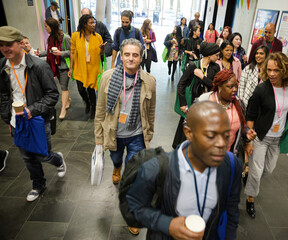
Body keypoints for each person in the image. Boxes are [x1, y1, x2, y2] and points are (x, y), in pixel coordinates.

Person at [127, 101, 242, 239]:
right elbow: (135, 208)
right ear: (189, 133)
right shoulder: (158, 168)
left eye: (226, 135)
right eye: (211, 136)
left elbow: (232, 211)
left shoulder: (231, 165)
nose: (222, 144)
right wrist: (167, 224)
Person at [94, 39, 155, 235]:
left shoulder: (149, 81)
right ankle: (117, 167)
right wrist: (98, 137)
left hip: (137, 134)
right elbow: (100, 109)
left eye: (135, 55)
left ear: (141, 57)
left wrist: (149, 133)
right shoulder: (107, 77)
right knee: (116, 158)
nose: (130, 58)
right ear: (121, 55)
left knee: (133, 175)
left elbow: (151, 110)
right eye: (127, 54)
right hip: (114, 134)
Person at [0, 26, 65, 202]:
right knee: (27, 157)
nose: (5, 48)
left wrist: (31, 110)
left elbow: (53, 95)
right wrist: (7, 116)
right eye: (1, 45)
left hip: (37, 118)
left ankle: (57, 159)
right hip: (17, 120)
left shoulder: (38, 66)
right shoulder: (2, 66)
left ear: (21, 44)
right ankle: (38, 185)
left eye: (9, 44)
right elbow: (4, 94)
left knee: (42, 154)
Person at [244, 52, 288, 218]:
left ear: (285, 70)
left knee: (267, 170)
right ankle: (250, 199)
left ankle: (248, 173)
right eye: (269, 70)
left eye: (276, 70)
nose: (272, 74)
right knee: (257, 171)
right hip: (261, 136)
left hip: (278, 138)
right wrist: (249, 135)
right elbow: (250, 115)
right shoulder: (262, 89)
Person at [172, 42, 220, 148]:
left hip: (206, 106)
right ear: (209, 54)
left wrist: (202, 77)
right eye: (216, 55)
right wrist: (183, 104)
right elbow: (181, 85)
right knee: (184, 130)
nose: (218, 57)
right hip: (191, 104)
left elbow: (215, 86)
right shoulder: (193, 65)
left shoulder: (216, 68)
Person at [197, 69, 256, 150]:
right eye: (230, 86)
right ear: (219, 87)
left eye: (236, 85)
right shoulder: (204, 101)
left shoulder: (239, 104)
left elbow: (242, 125)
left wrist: (247, 133)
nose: (235, 89)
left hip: (228, 154)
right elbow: (188, 124)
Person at [68, 14, 106, 119]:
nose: (93, 25)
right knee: (81, 89)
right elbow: (72, 52)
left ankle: (93, 107)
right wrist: (71, 68)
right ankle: (87, 102)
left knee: (91, 90)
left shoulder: (98, 37)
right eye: (91, 23)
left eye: (94, 22)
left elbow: (100, 53)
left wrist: (102, 48)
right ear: (84, 24)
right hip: (80, 67)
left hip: (92, 67)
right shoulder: (75, 36)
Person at [36, 18, 71, 119]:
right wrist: (40, 54)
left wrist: (61, 53)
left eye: (46, 26)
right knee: (62, 85)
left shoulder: (65, 37)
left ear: (52, 27)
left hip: (64, 66)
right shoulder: (51, 38)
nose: (45, 28)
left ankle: (63, 109)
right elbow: (50, 52)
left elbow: (71, 52)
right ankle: (68, 100)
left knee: (63, 87)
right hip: (55, 66)